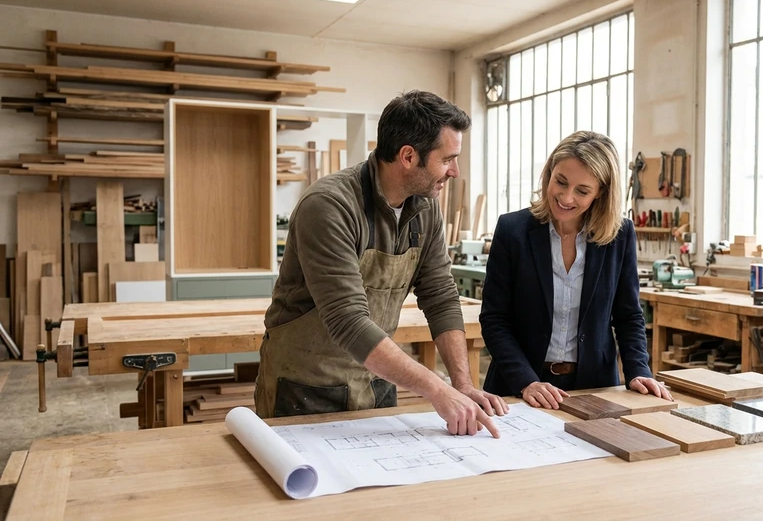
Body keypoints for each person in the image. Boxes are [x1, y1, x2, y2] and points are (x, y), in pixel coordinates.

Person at [255, 90, 508, 437]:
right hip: (306, 387)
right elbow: (348, 321)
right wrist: (436, 388)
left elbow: (440, 295)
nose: (455, 171)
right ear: (407, 156)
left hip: (376, 380)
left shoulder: (425, 206)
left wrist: (461, 383)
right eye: (448, 159)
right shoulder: (330, 206)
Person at [479, 130, 672, 409]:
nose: (566, 197)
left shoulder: (619, 235)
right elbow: (495, 319)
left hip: (595, 387)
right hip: (518, 386)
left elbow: (628, 316)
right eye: (561, 182)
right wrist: (526, 381)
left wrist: (638, 370)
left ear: (601, 193)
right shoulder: (513, 230)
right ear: (549, 173)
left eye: (582, 191)